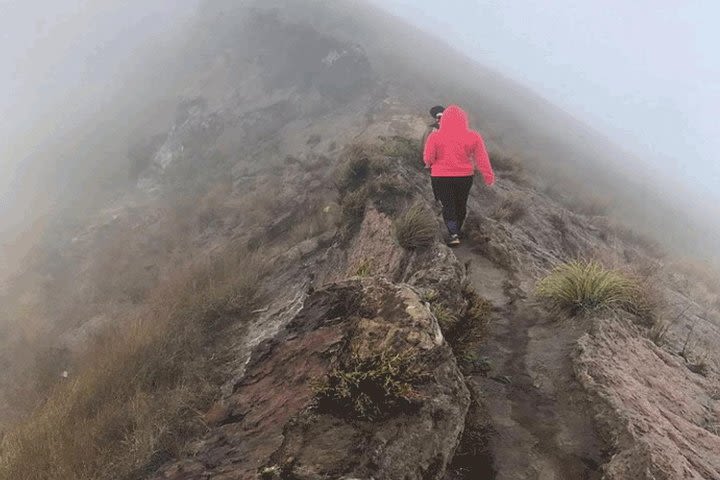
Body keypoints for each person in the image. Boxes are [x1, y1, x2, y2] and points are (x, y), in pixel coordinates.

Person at [423, 104, 495, 246]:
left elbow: (428, 157)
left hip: (441, 176)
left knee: (448, 204)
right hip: (464, 177)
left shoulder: (435, 136)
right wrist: (488, 175)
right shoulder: (473, 136)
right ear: (464, 119)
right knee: (460, 204)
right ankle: (457, 229)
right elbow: (482, 158)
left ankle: (453, 234)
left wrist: (429, 163)